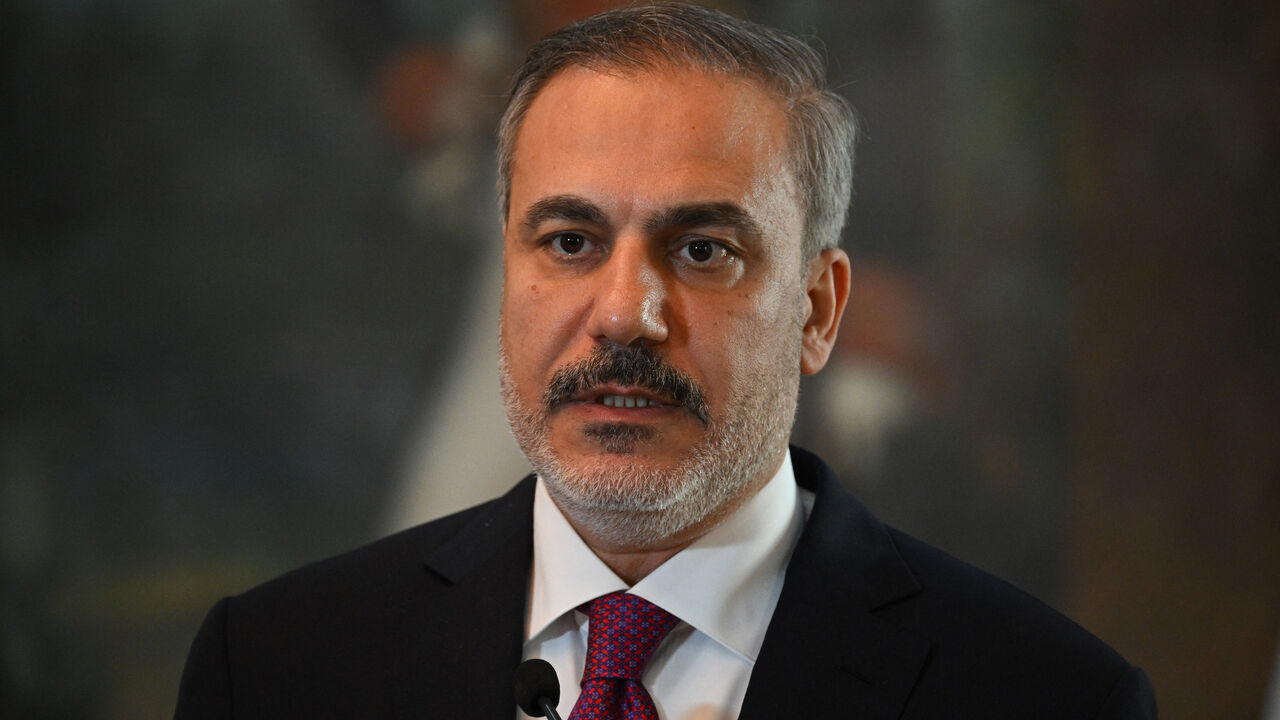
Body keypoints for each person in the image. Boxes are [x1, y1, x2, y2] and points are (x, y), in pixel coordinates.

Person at [174, 3, 1157, 718]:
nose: (624, 316)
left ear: (816, 309)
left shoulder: (1051, 702)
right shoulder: (269, 674)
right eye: (568, 242)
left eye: (701, 251)